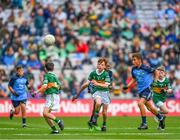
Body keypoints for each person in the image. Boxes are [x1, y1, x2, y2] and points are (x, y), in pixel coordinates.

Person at [123, 53, 166, 130]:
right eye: (132, 60)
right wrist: (127, 86)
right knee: (151, 108)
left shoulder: (145, 68)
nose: (133, 61)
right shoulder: (133, 69)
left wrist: (155, 81)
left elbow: (156, 71)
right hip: (140, 91)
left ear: (139, 60)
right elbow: (134, 79)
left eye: (134, 60)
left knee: (140, 103)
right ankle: (161, 118)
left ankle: (144, 123)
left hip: (148, 89)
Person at [72, 57, 111, 131]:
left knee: (104, 112)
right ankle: (94, 119)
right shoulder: (93, 73)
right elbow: (86, 84)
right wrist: (77, 95)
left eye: (102, 65)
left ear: (104, 66)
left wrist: (97, 83)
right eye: (99, 64)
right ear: (97, 65)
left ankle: (104, 124)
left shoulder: (106, 74)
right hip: (97, 91)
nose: (100, 66)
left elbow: (106, 85)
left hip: (105, 93)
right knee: (98, 103)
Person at [34, 62, 64, 134]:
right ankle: (55, 130)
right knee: (46, 115)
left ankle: (59, 121)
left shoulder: (47, 76)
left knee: (45, 113)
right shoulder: (55, 76)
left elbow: (44, 86)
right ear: (53, 69)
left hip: (51, 96)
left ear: (45, 68)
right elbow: (60, 87)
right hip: (53, 96)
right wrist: (53, 86)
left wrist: (36, 92)